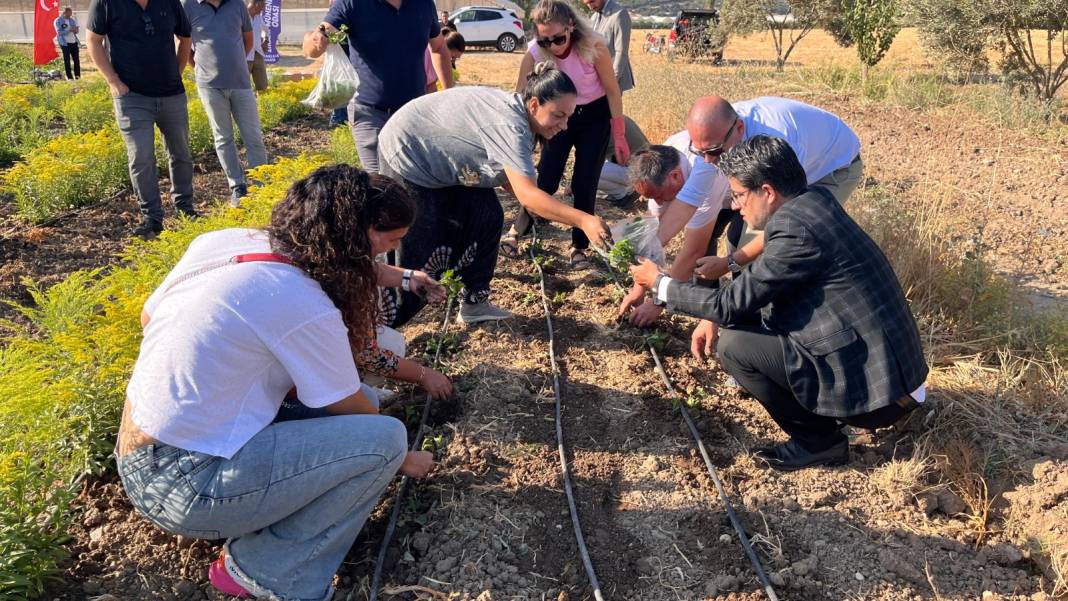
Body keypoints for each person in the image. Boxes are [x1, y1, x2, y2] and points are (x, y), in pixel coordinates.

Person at [115, 165, 450, 600]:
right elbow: (349, 398)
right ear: (353, 237)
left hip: (140, 452)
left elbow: (148, 317)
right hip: (185, 486)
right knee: (382, 439)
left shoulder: (227, 242)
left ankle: (267, 516)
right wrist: (402, 457)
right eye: (388, 243)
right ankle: (268, 572)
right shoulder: (300, 302)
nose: (393, 252)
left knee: (366, 402)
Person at [630, 136, 928, 471]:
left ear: (768, 192)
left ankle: (820, 443)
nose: (736, 205)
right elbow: (753, 288)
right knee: (744, 317)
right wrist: (727, 266)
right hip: (890, 371)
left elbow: (728, 304)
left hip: (881, 395)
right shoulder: (812, 202)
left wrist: (660, 283)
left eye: (739, 195)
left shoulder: (796, 234)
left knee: (735, 345)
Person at [378, 63, 612, 326]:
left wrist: (541, 203)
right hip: (409, 152)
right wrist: (584, 220)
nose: (564, 125)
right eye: (558, 115)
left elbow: (521, 188)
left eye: (568, 116)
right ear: (534, 104)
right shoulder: (511, 125)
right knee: (416, 241)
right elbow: (528, 195)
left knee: (487, 215)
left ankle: (475, 304)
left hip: (444, 160)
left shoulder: (521, 118)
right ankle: (383, 322)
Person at [620, 96, 863, 336]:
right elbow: (685, 205)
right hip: (775, 173)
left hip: (830, 168)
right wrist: (643, 283)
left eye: (714, 151)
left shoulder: (777, 142)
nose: (708, 160)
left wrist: (726, 267)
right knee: (737, 238)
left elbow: (777, 228)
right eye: (700, 150)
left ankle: (761, 334)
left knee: (766, 251)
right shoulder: (711, 145)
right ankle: (737, 313)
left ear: (739, 128)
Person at [501, 0, 628, 272]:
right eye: (545, 41)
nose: (553, 46)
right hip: (557, 113)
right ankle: (517, 231)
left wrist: (619, 135)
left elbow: (613, 91)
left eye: (558, 38)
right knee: (546, 176)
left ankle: (578, 247)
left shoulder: (594, 46)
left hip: (593, 116)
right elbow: (521, 95)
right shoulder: (536, 52)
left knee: (585, 181)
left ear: (571, 26)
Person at [86, 0, 196, 239]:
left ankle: (185, 208)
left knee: (181, 153)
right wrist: (113, 81)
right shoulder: (106, 3)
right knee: (141, 157)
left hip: (171, 94)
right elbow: (93, 40)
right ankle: (152, 217)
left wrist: (177, 74)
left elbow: (185, 37)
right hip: (131, 97)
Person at [303, 0, 454, 173]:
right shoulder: (352, 3)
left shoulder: (423, 4)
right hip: (369, 113)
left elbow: (439, 46)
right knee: (381, 185)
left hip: (413, 114)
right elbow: (310, 47)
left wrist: (449, 93)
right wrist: (316, 41)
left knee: (416, 180)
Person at [183, 0, 269, 208]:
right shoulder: (189, 7)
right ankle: (237, 185)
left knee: (254, 136)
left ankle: (262, 186)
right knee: (223, 137)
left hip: (240, 83)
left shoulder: (237, 5)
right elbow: (185, 43)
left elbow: (248, 41)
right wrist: (200, 69)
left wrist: (234, 63)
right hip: (210, 86)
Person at [596, 115, 649, 206]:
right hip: (643, 169)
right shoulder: (615, 117)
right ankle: (628, 190)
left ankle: (624, 194)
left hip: (642, 174)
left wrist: (574, 186)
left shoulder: (600, 125)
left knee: (590, 173)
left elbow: (590, 162)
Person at [584, 0, 632, 94]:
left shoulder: (619, 14)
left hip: (612, 79)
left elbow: (621, 52)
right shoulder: (594, 16)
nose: (590, 6)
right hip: (596, 79)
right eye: (587, 4)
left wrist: (613, 80)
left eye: (592, 1)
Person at [424, 28, 464, 93]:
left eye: (456, 58)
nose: (453, 62)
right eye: (453, 57)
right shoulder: (430, 58)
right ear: (444, 49)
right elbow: (431, 88)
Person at [246, 0, 268, 92]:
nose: (264, 9)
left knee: (262, 85)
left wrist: (265, 40)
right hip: (244, 55)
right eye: (263, 6)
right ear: (257, 4)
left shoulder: (259, 17)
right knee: (243, 87)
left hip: (258, 53)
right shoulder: (241, 15)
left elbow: (265, 30)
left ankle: (262, 104)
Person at [54, 7, 81, 80]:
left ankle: (78, 77)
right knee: (67, 61)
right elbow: (59, 32)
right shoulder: (58, 20)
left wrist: (76, 30)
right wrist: (69, 30)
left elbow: (76, 31)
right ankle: (70, 78)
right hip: (65, 44)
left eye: (71, 13)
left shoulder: (72, 20)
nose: (70, 15)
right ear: (64, 13)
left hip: (74, 42)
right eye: (69, 13)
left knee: (76, 60)